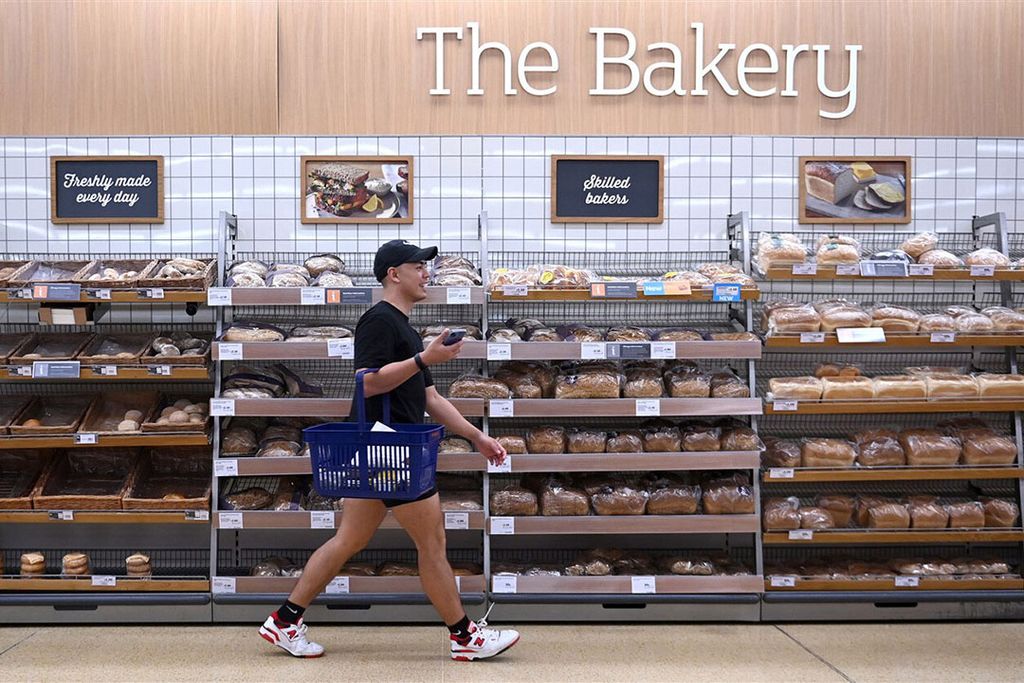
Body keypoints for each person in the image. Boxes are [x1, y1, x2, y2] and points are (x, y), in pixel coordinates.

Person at [259, 239, 519, 661]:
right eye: (418, 266)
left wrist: (477, 437)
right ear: (394, 274)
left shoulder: (403, 325)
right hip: (390, 450)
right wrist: (422, 359)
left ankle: (285, 621)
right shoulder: (379, 320)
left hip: (383, 449)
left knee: (348, 540)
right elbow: (366, 381)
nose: (426, 273)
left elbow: (431, 400)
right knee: (432, 543)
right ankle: (465, 637)